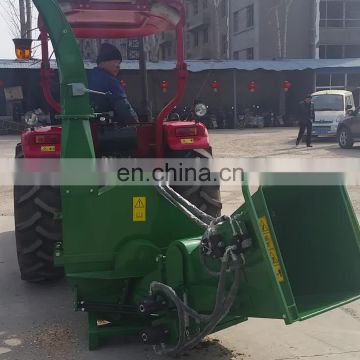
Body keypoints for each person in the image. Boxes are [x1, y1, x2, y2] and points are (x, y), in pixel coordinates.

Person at [88, 43, 139, 125]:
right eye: (116, 62)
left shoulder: (90, 76)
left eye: (119, 63)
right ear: (104, 61)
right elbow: (124, 109)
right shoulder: (110, 81)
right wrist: (136, 123)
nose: (118, 66)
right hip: (107, 131)